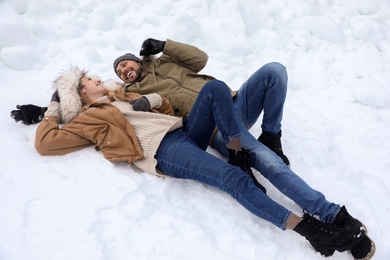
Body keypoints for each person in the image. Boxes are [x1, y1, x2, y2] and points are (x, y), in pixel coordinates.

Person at [34, 66, 374, 259]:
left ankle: (238, 151)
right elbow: (46, 144)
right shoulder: (86, 119)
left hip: (180, 131)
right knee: (234, 181)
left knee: (217, 90)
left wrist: (149, 100)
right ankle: (312, 231)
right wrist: (51, 109)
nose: (98, 79)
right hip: (163, 151)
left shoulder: (120, 96)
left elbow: (167, 106)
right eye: (90, 80)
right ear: (80, 93)